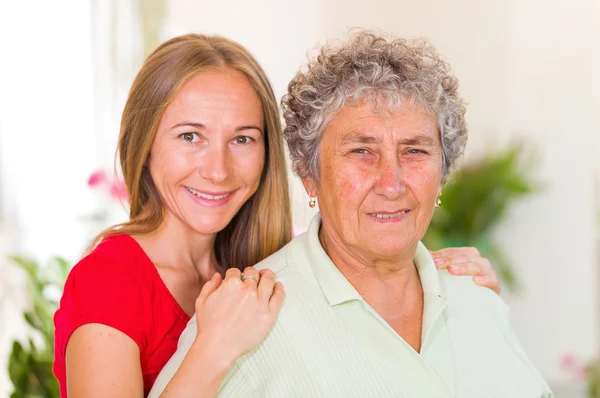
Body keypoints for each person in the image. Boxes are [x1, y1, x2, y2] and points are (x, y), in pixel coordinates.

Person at [53, 34, 502, 398]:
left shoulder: (266, 260)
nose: (217, 170)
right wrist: (213, 350)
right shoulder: (110, 280)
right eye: (190, 136)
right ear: (144, 143)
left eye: (243, 139)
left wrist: (453, 293)